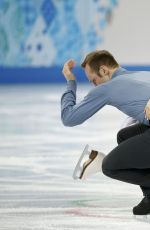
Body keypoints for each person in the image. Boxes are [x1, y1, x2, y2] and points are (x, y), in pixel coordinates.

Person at [61, 50, 150, 216]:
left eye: (94, 80)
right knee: (125, 135)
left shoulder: (108, 88)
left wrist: (71, 82)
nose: (94, 86)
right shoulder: (142, 74)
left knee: (109, 167)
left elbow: (69, 118)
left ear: (103, 70)